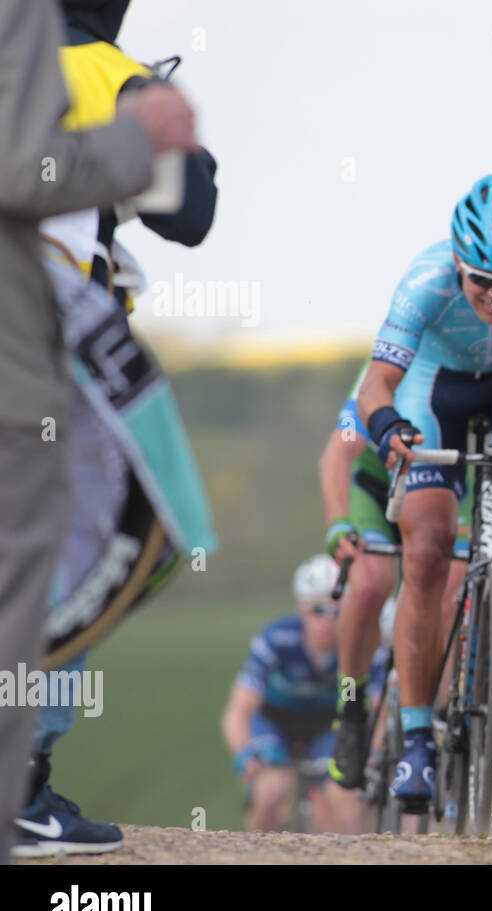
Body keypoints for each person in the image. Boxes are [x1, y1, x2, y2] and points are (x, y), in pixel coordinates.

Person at [12, 0, 221, 859]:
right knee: (103, 551)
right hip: (47, 355)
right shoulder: (96, 67)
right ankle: (21, 782)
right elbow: (191, 212)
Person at [352, 176, 492, 810]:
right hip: (436, 392)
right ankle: (415, 742)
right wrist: (388, 428)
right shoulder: (427, 280)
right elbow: (375, 385)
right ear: (457, 265)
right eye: (480, 281)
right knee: (428, 552)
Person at [319, 362, 492, 789]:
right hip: (378, 494)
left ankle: (440, 712)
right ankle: (352, 708)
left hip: (451, 493)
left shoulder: (488, 367)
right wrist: (339, 521)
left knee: (451, 592)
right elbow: (339, 453)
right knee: (371, 584)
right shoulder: (392, 367)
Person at [220, 556, 381, 833]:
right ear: (301, 608)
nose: (327, 621)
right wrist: (244, 753)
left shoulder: (362, 645)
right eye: (317, 610)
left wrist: (375, 752)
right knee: (271, 791)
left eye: (337, 611)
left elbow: (380, 708)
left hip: (330, 723)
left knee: (346, 801)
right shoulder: (276, 639)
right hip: (274, 722)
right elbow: (238, 711)